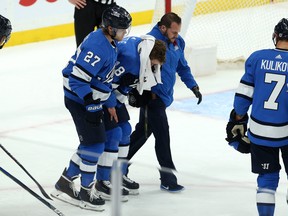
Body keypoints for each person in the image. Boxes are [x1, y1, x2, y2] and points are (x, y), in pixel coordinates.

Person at [50, 5, 131, 211]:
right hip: (79, 99)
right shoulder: (98, 46)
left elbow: (104, 79)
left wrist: (109, 102)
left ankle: (65, 182)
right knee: (94, 145)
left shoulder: (108, 41)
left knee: (109, 135)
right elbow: (77, 80)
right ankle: (86, 191)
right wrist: (91, 104)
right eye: (122, 29)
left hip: (93, 98)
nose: (125, 33)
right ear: (110, 28)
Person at [124, 12, 202, 193]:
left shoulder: (178, 42)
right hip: (152, 98)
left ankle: (118, 166)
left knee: (142, 134)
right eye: (174, 32)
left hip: (164, 97)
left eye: (177, 32)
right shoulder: (150, 43)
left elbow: (182, 66)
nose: (177, 35)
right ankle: (168, 178)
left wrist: (193, 85)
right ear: (163, 28)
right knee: (162, 136)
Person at [225, 18, 288, 216]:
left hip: (260, 131)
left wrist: (237, 119)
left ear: (275, 37)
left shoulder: (257, 58)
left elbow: (243, 98)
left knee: (267, 179)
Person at [94, 35, 167, 200]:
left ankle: (117, 175)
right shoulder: (131, 60)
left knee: (125, 130)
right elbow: (106, 82)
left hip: (112, 94)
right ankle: (102, 181)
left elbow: (122, 84)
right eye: (153, 64)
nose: (153, 67)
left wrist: (124, 95)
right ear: (148, 56)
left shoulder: (142, 47)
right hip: (99, 94)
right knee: (114, 135)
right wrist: (111, 104)